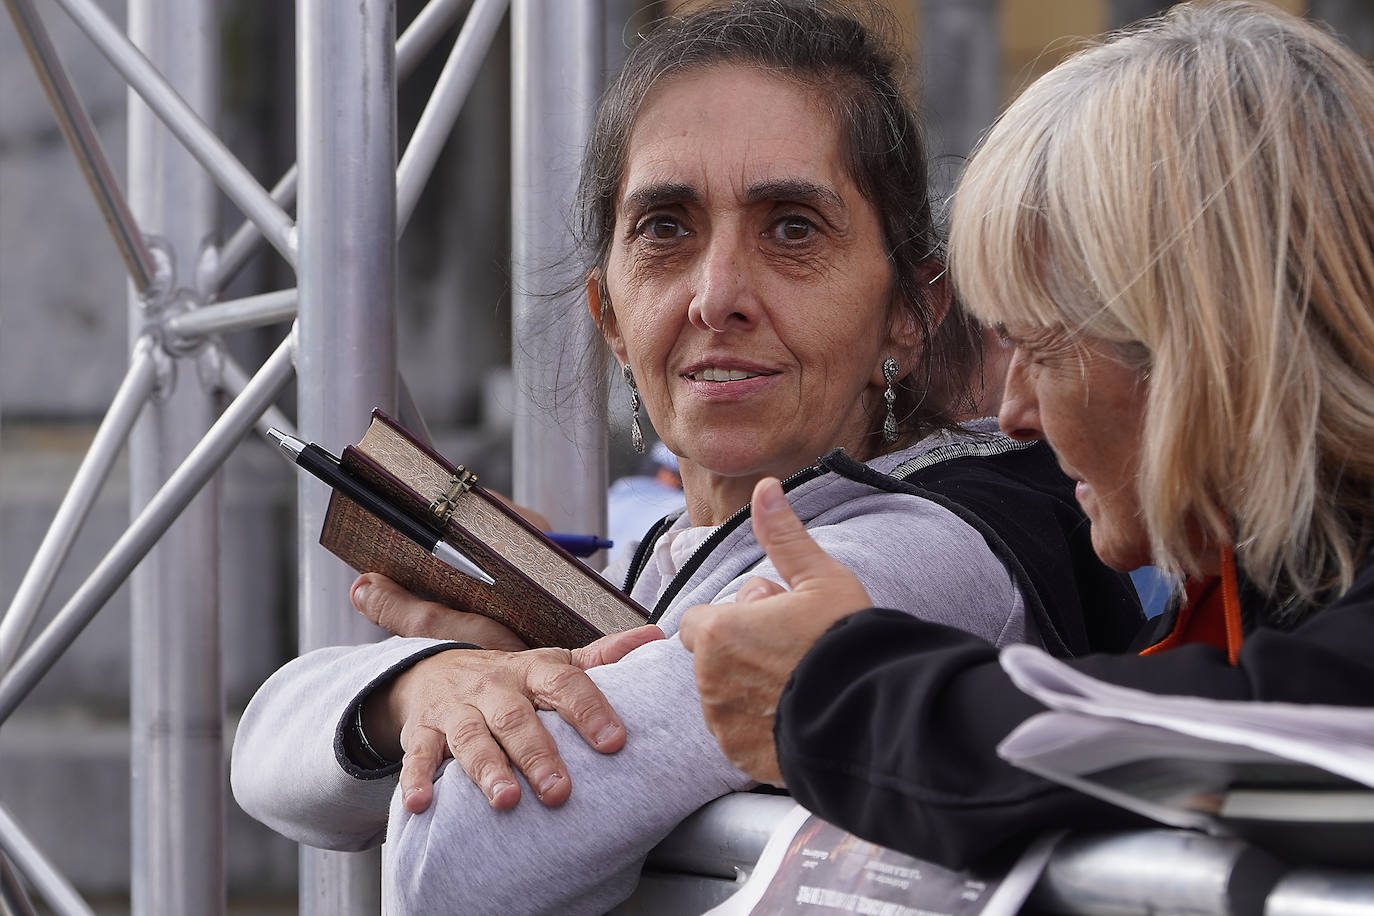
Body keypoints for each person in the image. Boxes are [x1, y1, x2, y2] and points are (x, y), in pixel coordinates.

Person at [230, 1, 1140, 911]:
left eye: (792, 228)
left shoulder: (928, 551)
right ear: (611, 318)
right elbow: (262, 748)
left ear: (909, 311)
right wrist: (434, 686)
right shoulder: (662, 554)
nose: (718, 297)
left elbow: (464, 859)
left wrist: (505, 713)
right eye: (666, 227)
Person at [679, 0, 1374, 871]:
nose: (1012, 414)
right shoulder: (1269, 573)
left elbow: (1303, 756)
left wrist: (841, 697)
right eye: (664, 228)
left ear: (1204, 350)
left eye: (1040, 351)